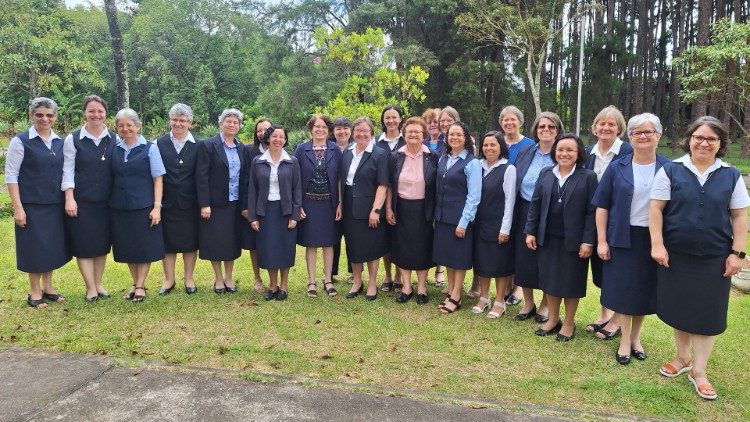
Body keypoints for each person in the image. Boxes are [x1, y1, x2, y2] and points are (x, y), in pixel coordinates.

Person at [650, 116, 749, 400]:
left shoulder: (730, 175)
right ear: (689, 139)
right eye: (699, 137)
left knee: (708, 313)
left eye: (711, 139)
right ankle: (682, 358)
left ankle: (700, 371)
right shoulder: (671, 170)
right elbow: (656, 210)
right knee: (680, 308)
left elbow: (740, 215)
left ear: (720, 144)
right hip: (676, 254)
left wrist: (737, 253)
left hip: (715, 258)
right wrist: (657, 245)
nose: (704, 143)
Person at [592, 113, 670, 364]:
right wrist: (602, 241)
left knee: (644, 291)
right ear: (631, 137)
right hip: (621, 237)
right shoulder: (618, 166)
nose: (643, 136)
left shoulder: (669, 168)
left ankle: (636, 338)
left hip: (653, 239)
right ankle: (625, 341)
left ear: (658, 136)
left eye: (649, 132)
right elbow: (602, 206)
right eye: (637, 132)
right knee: (624, 292)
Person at [525, 133, 597, 341]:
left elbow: (592, 211)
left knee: (570, 283)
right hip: (547, 238)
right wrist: (530, 231)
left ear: (578, 153)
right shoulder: (546, 173)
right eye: (560, 149)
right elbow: (535, 204)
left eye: (570, 150)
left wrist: (588, 240)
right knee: (550, 280)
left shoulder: (588, 177)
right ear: (555, 151)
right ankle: (553, 319)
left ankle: (568, 323)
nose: (564, 153)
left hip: (574, 242)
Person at [6, 97, 71, 307]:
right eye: (40, 114)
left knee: (50, 247)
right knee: (34, 248)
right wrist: (18, 208)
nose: (45, 119)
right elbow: (11, 176)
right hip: (31, 205)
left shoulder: (60, 142)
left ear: (55, 117)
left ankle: (48, 287)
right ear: (32, 115)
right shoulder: (20, 141)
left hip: (54, 204)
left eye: (49, 115)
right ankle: (34, 291)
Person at [583, 105, 634, 338]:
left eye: (611, 124)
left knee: (617, 269)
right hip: (593, 219)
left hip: (619, 219)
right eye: (602, 123)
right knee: (601, 269)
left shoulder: (628, 152)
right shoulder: (587, 153)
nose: (606, 127)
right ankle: (605, 314)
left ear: (619, 129)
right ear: (595, 128)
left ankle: (617, 320)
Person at [62, 95, 116, 302]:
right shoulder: (73, 139)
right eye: (92, 111)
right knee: (84, 244)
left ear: (105, 113)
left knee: (102, 245)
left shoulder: (114, 138)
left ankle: (99, 283)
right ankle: (90, 287)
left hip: (106, 201)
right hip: (81, 200)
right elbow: (67, 170)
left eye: (100, 111)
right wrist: (69, 197)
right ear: (84, 112)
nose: (96, 115)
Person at [512, 112, 564, 322]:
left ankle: (545, 304)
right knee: (524, 259)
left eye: (551, 127)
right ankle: (528, 302)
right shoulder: (527, 152)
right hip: (525, 209)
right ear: (535, 129)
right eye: (542, 126)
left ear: (558, 130)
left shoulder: (562, 152)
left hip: (552, 214)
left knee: (547, 260)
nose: (546, 130)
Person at [111, 108, 166, 302]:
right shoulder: (115, 148)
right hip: (119, 207)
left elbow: (158, 179)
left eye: (129, 125)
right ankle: (135, 283)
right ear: (117, 128)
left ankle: (141, 285)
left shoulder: (150, 148)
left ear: (138, 126)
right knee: (128, 247)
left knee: (144, 247)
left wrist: (157, 206)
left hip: (143, 206)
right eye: (121, 125)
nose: (125, 129)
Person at [196, 108, 249, 294]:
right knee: (216, 241)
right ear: (221, 123)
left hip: (235, 203)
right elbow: (201, 176)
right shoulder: (208, 145)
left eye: (236, 122)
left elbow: (245, 177)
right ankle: (218, 278)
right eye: (229, 121)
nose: (232, 125)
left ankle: (228, 277)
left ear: (239, 126)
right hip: (215, 204)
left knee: (231, 241)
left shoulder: (241, 147)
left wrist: (245, 204)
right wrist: (204, 203)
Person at [386, 117, 439, 305]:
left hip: (424, 208)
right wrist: (389, 208)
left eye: (417, 131)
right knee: (403, 248)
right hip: (401, 207)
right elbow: (390, 185)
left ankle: (422, 287)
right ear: (404, 134)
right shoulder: (395, 156)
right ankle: (407, 286)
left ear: (423, 134)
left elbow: (437, 186)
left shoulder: (433, 156)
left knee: (423, 247)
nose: (413, 134)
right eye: (410, 132)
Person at [248, 125, 302, 301]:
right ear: (268, 139)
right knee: (269, 249)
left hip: (285, 211)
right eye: (275, 136)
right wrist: (253, 217)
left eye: (282, 137)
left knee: (285, 248)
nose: (278, 140)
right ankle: (273, 285)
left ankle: (284, 285)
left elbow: (297, 190)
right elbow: (252, 190)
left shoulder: (292, 161)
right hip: (265, 212)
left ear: (285, 140)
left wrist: (295, 215)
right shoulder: (258, 161)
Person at [434, 122, 481, 314]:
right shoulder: (442, 159)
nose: (454, 138)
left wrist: (464, 222)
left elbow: (474, 196)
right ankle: (452, 292)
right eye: (451, 134)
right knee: (448, 257)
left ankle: (456, 296)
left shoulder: (472, 162)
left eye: (459, 135)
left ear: (466, 138)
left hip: (460, 219)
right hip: (443, 217)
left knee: (458, 259)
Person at [340, 117, 389, 300]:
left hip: (370, 207)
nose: (361, 134)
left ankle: (372, 283)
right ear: (353, 133)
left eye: (365, 131)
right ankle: (357, 281)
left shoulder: (380, 154)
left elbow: (383, 185)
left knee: (371, 246)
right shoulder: (347, 153)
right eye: (358, 130)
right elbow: (342, 181)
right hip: (349, 205)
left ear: (371, 133)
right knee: (353, 245)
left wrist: (376, 210)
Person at [293, 113, 342, 298]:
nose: (320, 130)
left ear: (328, 130)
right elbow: (295, 180)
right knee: (311, 244)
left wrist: (340, 204)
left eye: (323, 127)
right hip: (309, 204)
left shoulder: (335, 150)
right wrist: (298, 205)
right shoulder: (301, 149)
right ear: (311, 129)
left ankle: (328, 280)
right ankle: (311, 281)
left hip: (330, 204)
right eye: (316, 126)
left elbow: (339, 178)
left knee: (329, 243)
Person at [155, 103, 200, 295]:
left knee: (190, 242)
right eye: (175, 119)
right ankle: (169, 279)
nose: (178, 123)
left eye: (182, 120)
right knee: (168, 242)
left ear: (190, 122)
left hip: (191, 202)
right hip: (167, 202)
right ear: (170, 120)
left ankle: (189, 279)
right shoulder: (158, 143)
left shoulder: (199, 145)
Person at [471, 131, 517, 318]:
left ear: (501, 147)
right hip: (479, 223)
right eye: (486, 145)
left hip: (498, 223)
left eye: (493, 145)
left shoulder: (508, 168)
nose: (488, 148)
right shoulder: (477, 166)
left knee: (499, 263)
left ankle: (499, 301)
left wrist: (505, 228)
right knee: (482, 262)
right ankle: (483, 297)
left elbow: (510, 200)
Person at [496, 105, 534, 306]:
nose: (509, 123)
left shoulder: (529, 145)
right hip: (498, 201)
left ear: (520, 122)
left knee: (517, 244)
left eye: (513, 120)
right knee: (503, 243)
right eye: (505, 120)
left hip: (521, 200)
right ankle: (506, 285)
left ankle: (517, 288)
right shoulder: (496, 142)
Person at [375, 105, 405, 293]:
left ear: (401, 119)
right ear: (383, 120)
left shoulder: (408, 139)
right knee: (385, 237)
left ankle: (399, 276)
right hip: (383, 194)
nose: (391, 121)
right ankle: (387, 275)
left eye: (394, 117)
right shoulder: (377, 143)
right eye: (387, 117)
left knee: (401, 238)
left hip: (404, 197)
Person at [432, 106, 461, 287]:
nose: (445, 123)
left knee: (457, 248)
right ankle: (449, 285)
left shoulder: (464, 141)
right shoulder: (438, 141)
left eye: (449, 120)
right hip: (439, 197)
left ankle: (455, 287)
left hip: (456, 201)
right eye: (442, 120)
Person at [245, 118, 273, 293]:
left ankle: (273, 280)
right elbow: (244, 180)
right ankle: (257, 279)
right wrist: (245, 207)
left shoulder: (280, 149)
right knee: (254, 243)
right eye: (259, 130)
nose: (262, 133)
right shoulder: (249, 151)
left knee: (272, 242)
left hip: (275, 205)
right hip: (254, 204)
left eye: (266, 129)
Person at [331, 116, 354, 284]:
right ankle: (331, 272)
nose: (342, 131)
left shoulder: (356, 148)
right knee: (334, 236)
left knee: (353, 236)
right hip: (332, 199)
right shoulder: (329, 149)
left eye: (345, 128)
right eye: (338, 128)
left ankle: (354, 272)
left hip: (353, 198)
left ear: (350, 131)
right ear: (333, 131)